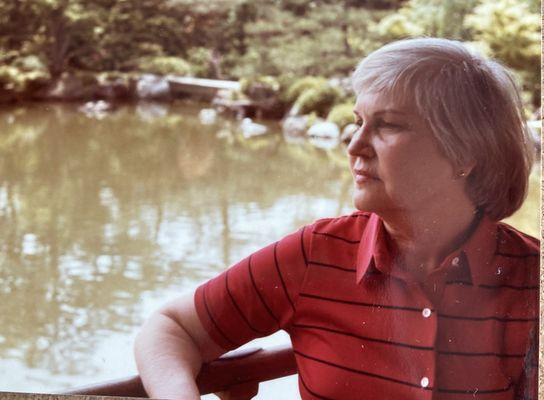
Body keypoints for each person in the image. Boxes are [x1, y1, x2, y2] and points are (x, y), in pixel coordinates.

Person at [134, 38, 539, 399]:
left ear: (464, 154)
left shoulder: (533, 279)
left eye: (388, 125)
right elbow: (171, 329)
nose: (355, 144)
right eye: (359, 121)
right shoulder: (314, 255)